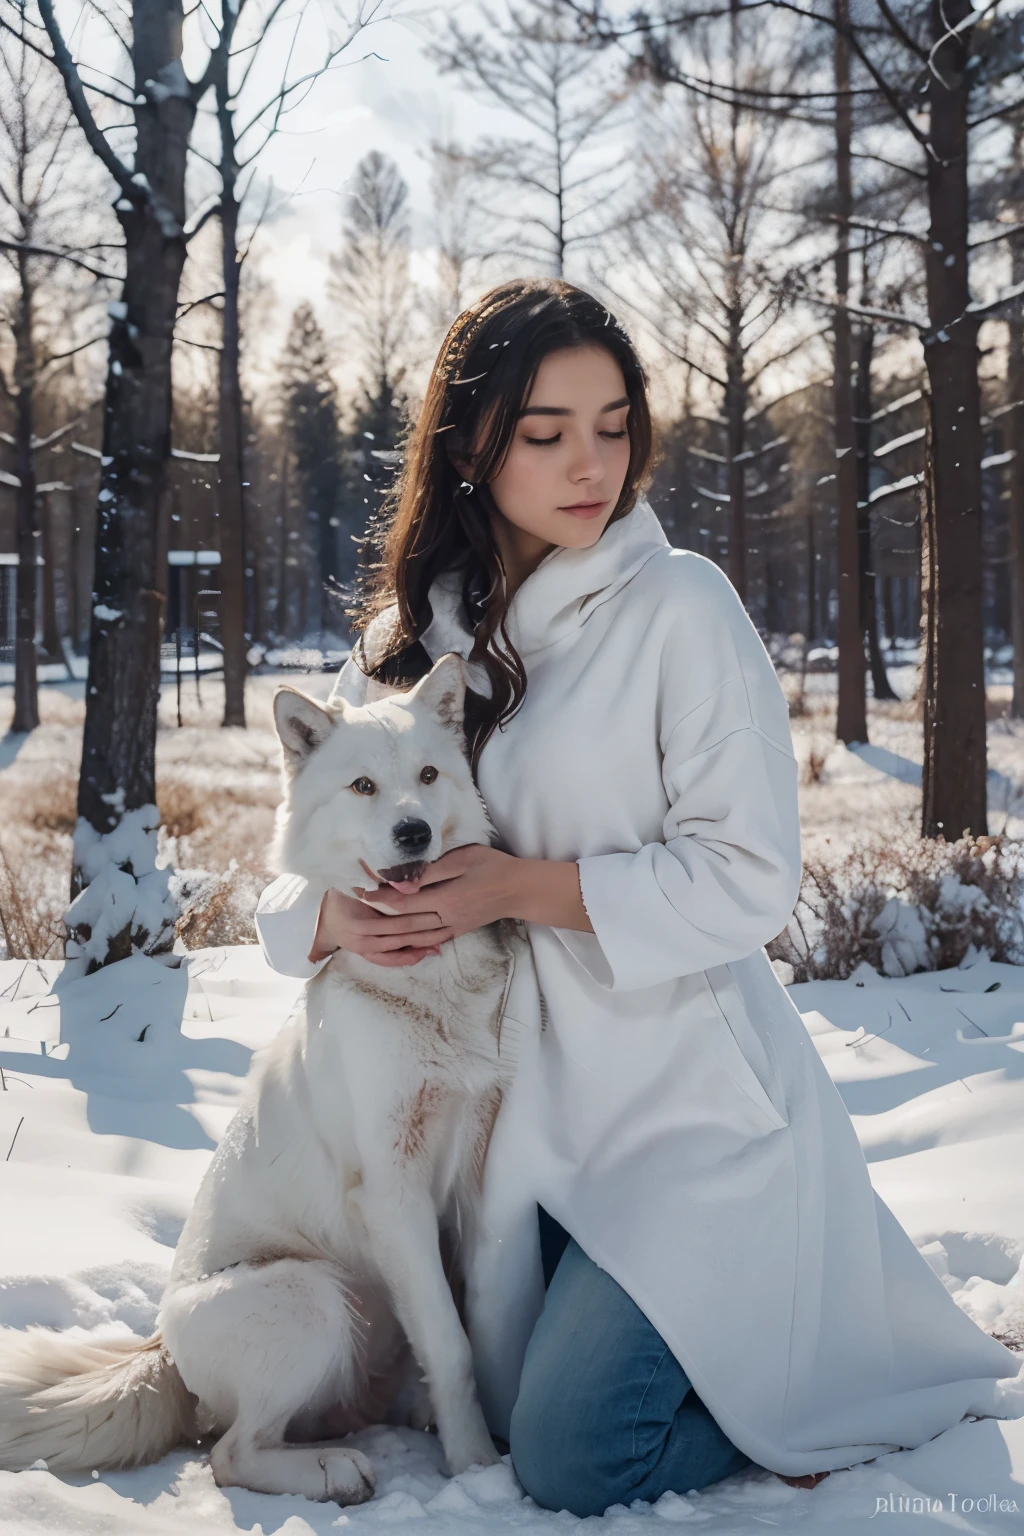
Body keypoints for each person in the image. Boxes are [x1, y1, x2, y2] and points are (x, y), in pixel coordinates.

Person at [254, 278, 1024, 1518]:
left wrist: (514, 886)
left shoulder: (680, 607)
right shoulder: (406, 642)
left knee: (573, 1458)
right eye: (545, 432)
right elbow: (297, 857)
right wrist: (333, 922)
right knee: (502, 1412)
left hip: (672, 1111)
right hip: (500, 1131)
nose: (590, 463)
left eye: (612, 424)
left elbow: (750, 879)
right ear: (472, 446)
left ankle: (798, 1381)